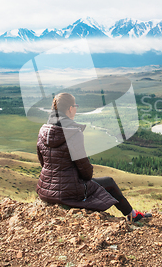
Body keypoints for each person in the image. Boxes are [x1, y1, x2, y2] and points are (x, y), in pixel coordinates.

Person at [36, 92, 151, 222]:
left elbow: (43, 162)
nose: (76, 109)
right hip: (68, 192)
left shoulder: (43, 130)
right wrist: (84, 178)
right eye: (76, 106)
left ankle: (132, 215)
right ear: (70, 108)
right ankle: (133, 216)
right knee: (109, 182)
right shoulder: (73, 133)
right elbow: (85, 171)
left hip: (45, 191)